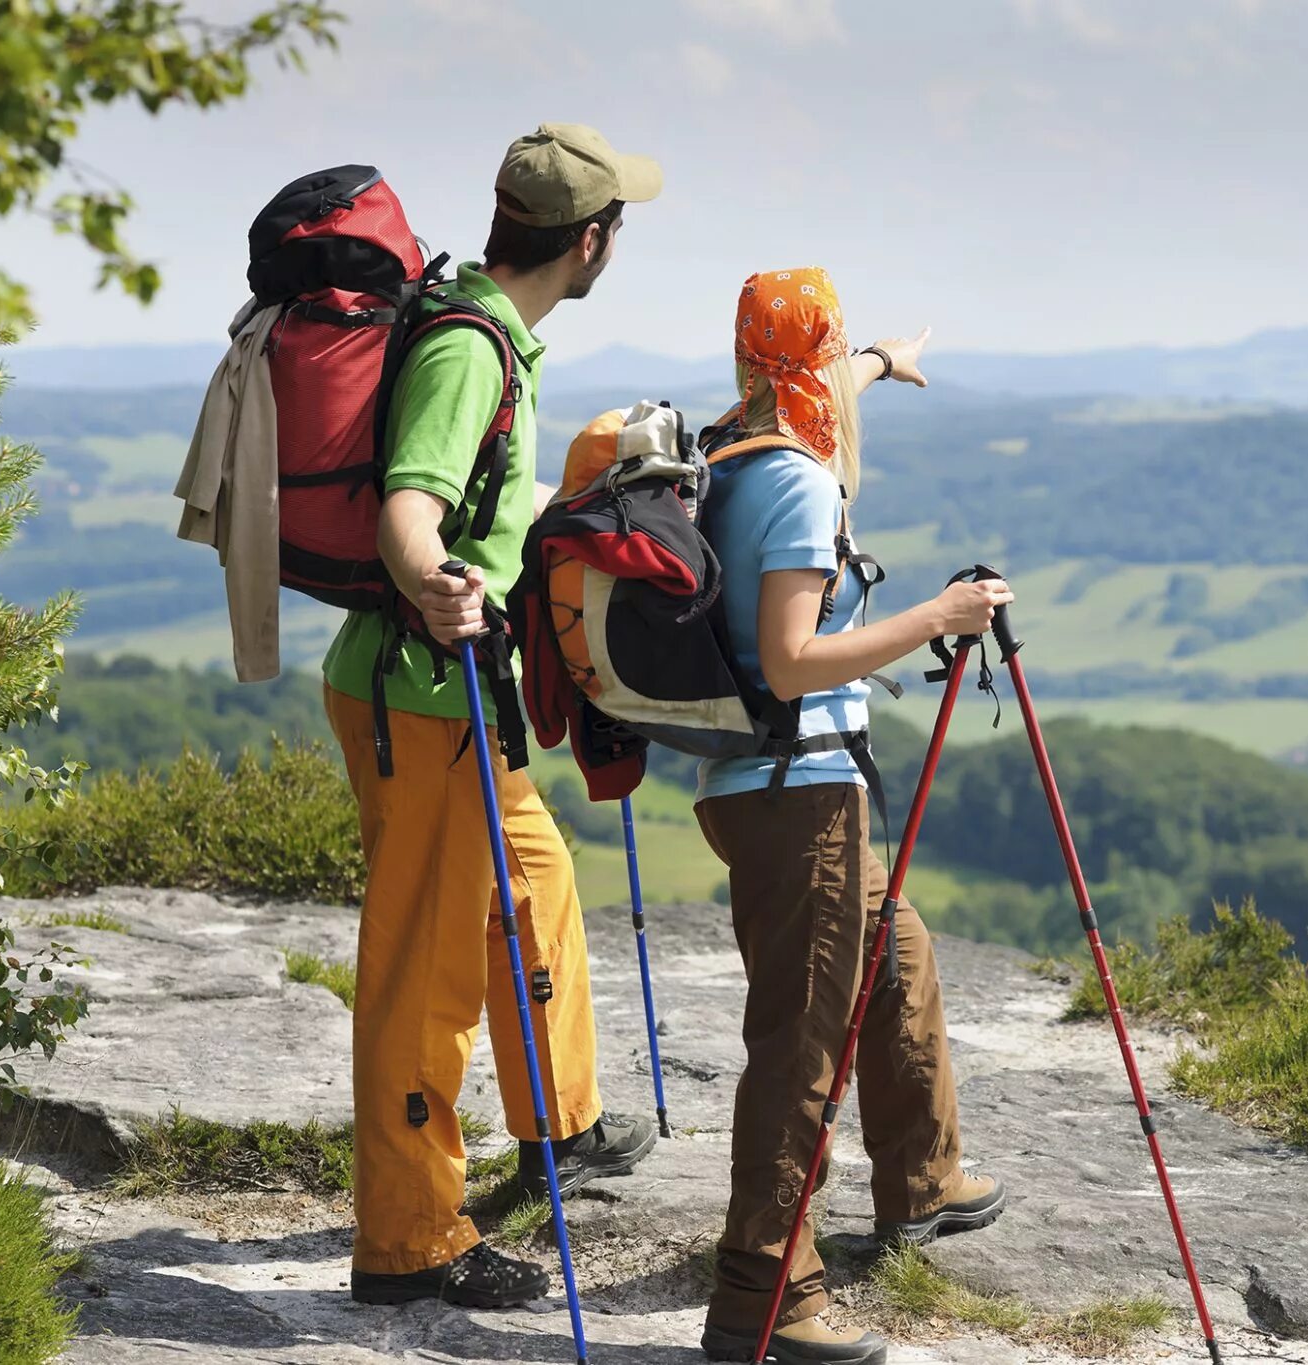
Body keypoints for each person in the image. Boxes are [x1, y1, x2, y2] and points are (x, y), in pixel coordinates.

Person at [319, 123, 663, 1309]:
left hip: (455, 694)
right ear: (591, 242)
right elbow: (410, 505)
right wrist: (436, 581)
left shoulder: (486, 323)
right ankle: (409, 1240)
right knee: (425, 967)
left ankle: (558, 1125)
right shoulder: (469, 350)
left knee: (534, 883)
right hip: (422, 696)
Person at [693, 268, 1014, 1365]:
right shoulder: (794, 485)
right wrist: (940, 612)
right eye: (835, 357)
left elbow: (822, 387)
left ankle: (920, 1184)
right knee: (798, 1048)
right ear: (808, 362)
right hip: (797, 793)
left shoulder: (733, 441)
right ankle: (763, 1300)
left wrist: (881, 358)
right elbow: (789, 660)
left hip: (759, 786)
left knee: (897, 947)